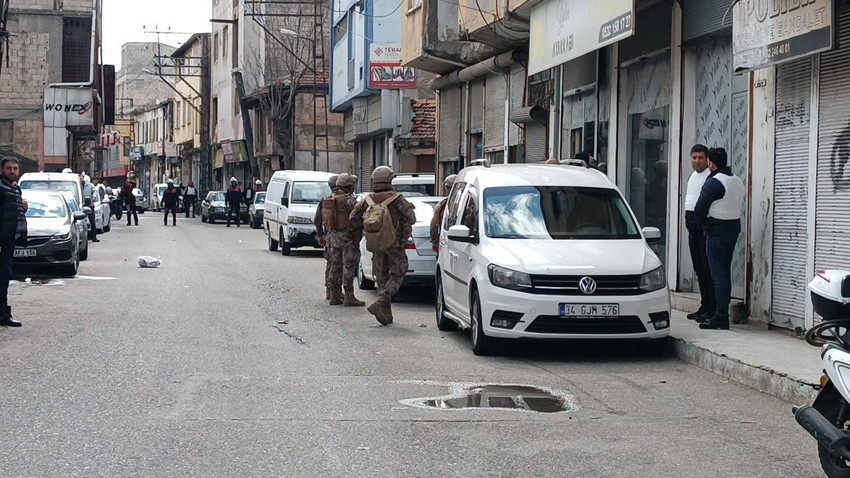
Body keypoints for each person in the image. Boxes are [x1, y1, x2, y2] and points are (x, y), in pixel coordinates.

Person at [350, 166, 416, 325]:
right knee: (399, 270)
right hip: (395, 243)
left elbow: (353, 218)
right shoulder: (397, 199)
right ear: (390, 179)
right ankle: (383, 299)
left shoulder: (367, 200)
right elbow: (411, 217)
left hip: (375, 242)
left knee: (381, 275)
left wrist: (364, 232)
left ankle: (386, 313)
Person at [694, 147, 745, 330]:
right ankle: (721, 313)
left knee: (718, 275)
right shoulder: (737, 180)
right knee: (724, 273)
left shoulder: (714, 182)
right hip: (732, 229)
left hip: (715, 231)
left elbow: (699, 208)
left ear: (711, 163)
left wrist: (700, 224)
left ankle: (720, 315)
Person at [322, 173, 365, 307]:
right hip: (347, 237)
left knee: (335, 266)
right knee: (348, 267)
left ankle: (334, 294)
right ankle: (349, 296)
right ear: (349, 187)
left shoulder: (330, 198)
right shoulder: (348, 200)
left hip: (333, 237)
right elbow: (356, 217)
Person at [684, 144, 714, 322]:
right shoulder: (692, 176)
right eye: (694, 157)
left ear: (707, 160)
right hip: (692, 229)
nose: (697, 161)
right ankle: (704, 305)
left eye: (700, 158)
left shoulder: (709, 177)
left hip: (704, 230)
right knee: (699, 269)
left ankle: (712, 307)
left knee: (707, 269)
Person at [0, 157, 27, 327]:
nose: (12, 171)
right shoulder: (1, 188)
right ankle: (3, 314)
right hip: (2, 240)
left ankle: (3, 313)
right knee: (3, 276)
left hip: (10, 239)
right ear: (2, 170)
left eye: (15, 168)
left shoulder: (15, 189)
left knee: (5, 276)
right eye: (9, 168)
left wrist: (22, 207)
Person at [315, 175, 339, 300]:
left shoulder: (325, 201)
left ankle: (329, 291)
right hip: (344, 238)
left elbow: (317, 220)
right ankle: (338, 292)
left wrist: (320, 235)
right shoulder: (347, 200)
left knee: (331, 264)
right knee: (342, 265)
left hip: (329, 237)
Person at [430, 174, 457, 252]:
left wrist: (434, 239)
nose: (447, 190)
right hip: (446, 241)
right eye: (446, 187)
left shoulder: (465, 203)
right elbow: (434, 224)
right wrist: (434, 240)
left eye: (448, 187)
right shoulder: (442, 205)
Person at [81, 174, 99, 242]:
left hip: (90, 206)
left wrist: (94, 197)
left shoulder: (90, 185)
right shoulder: (78, 185)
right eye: (80, 178)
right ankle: (83, 237)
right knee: (82, 222)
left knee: (92, 222)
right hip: (81, 207)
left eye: (82, 178)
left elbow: (95, 191)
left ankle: (94, 236)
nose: (81, 180)